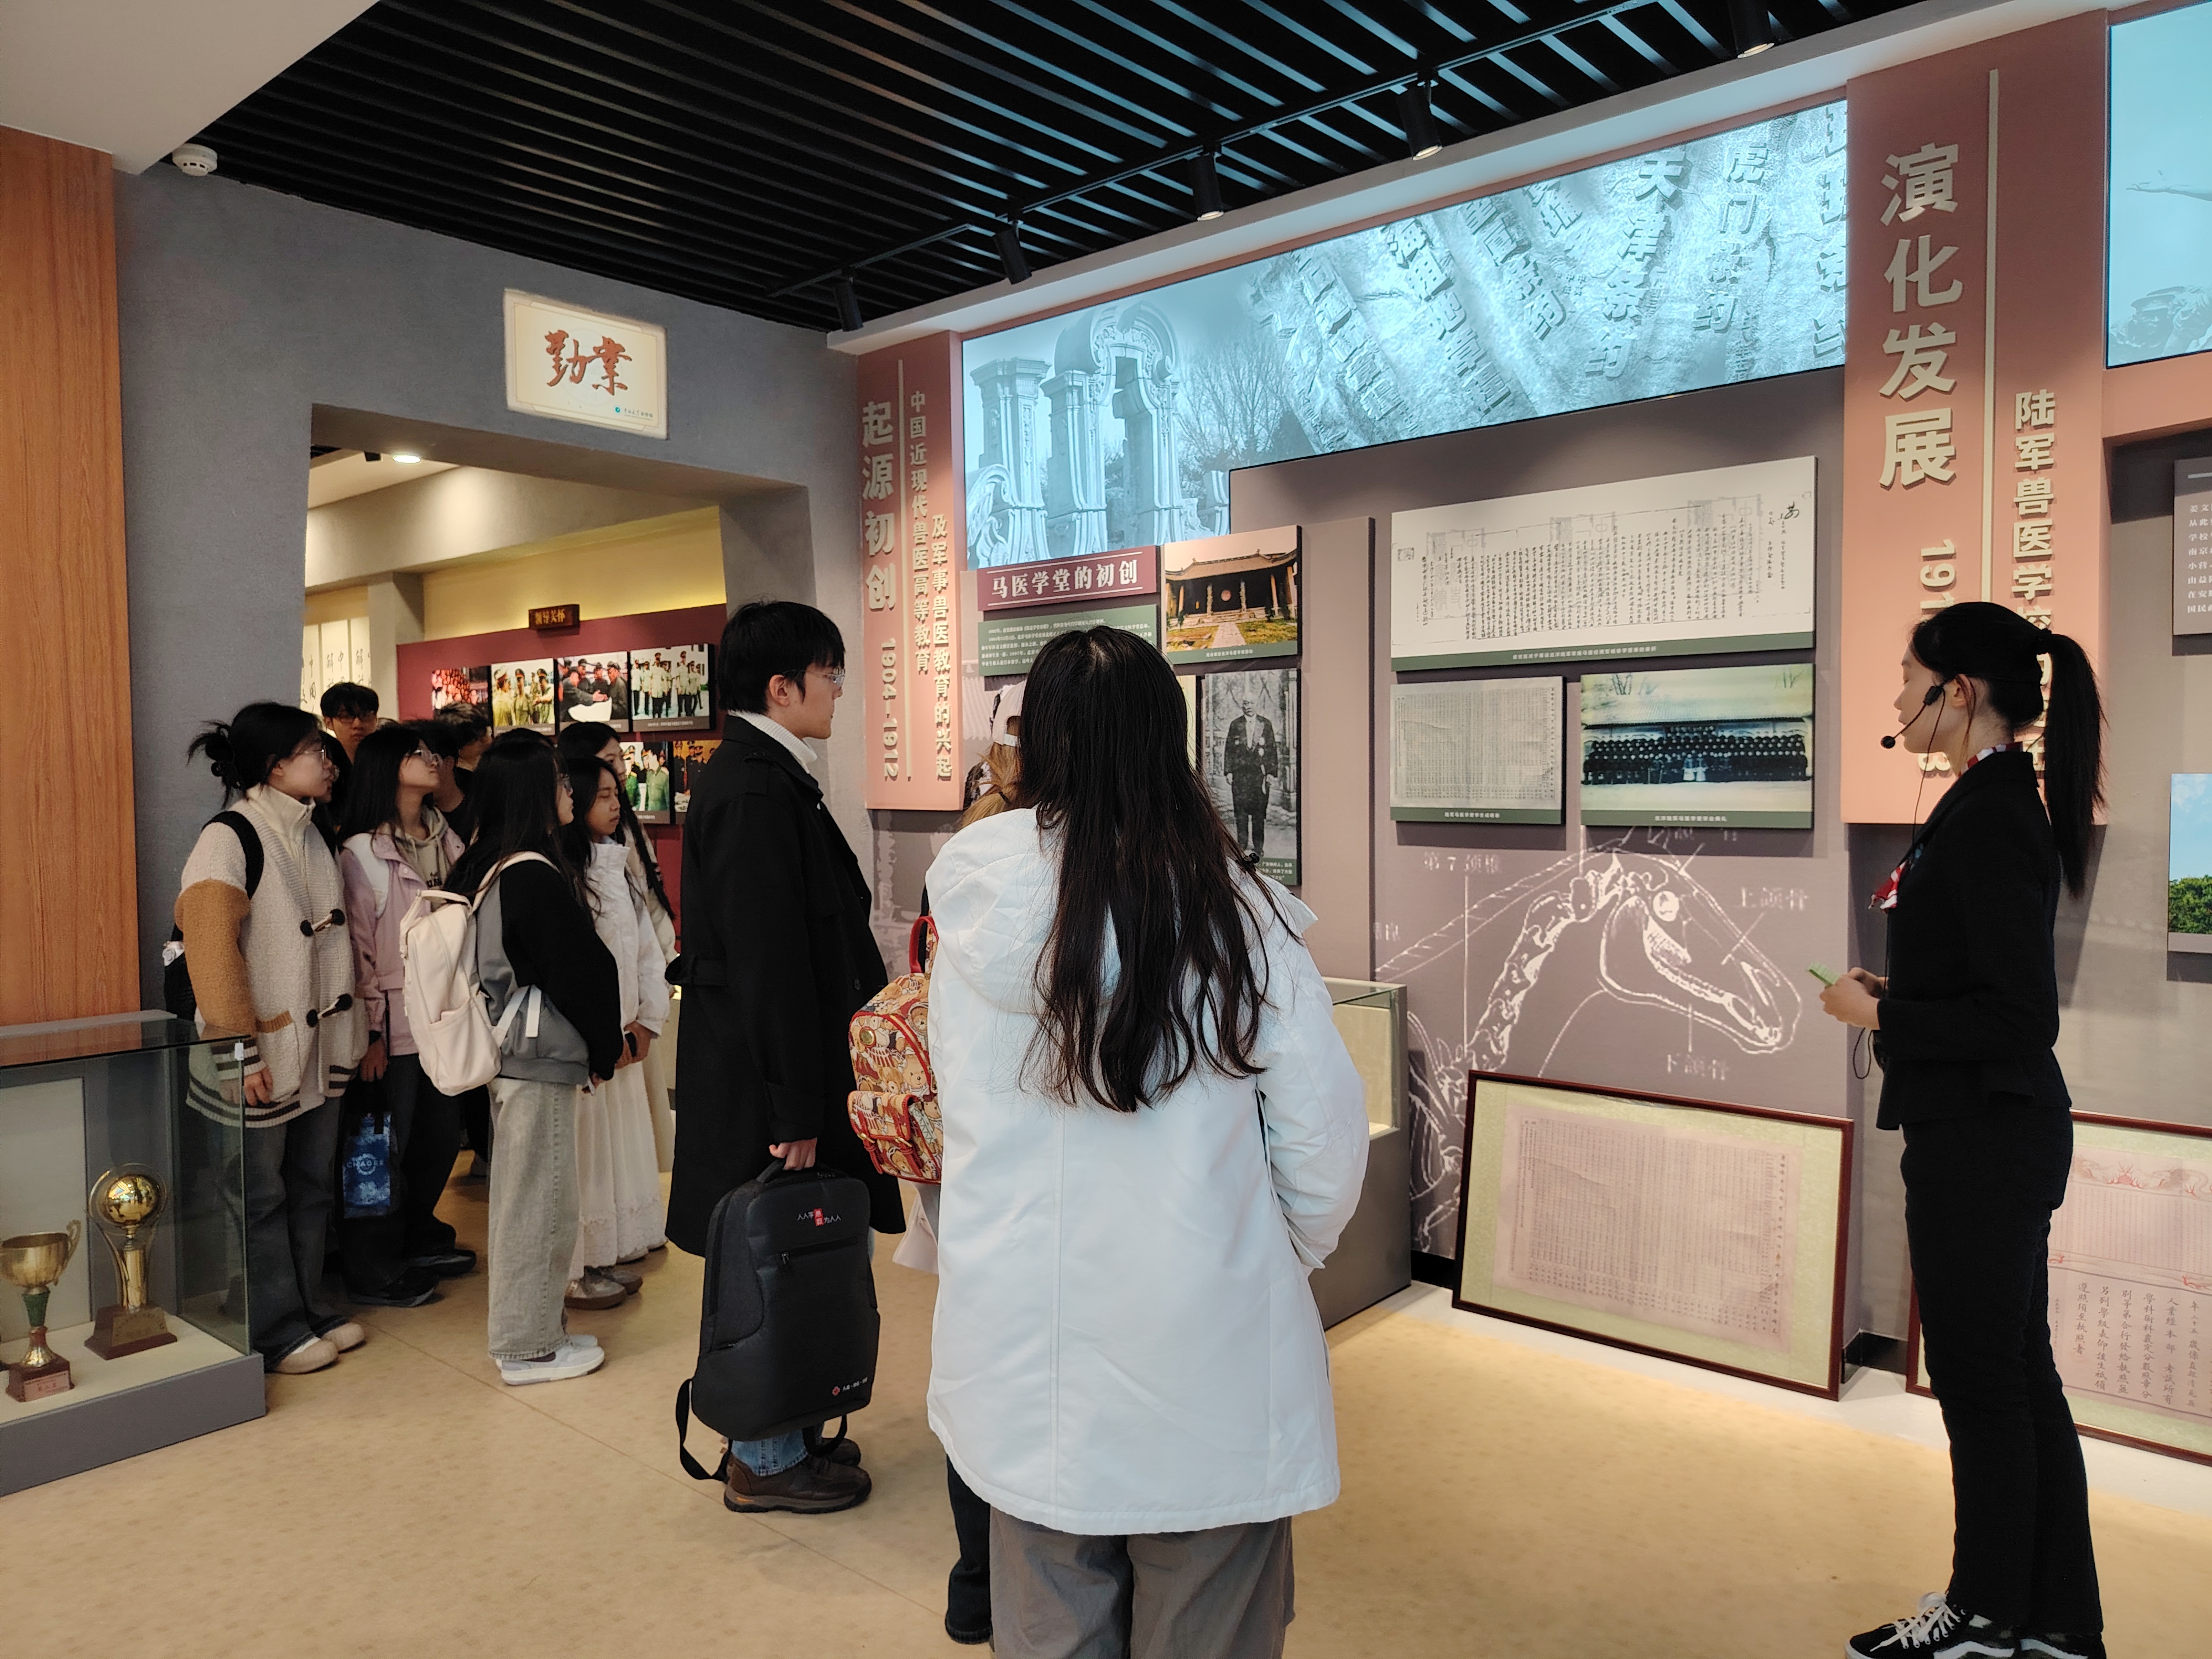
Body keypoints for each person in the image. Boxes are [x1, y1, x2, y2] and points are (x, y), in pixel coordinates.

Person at [926, 627, 1369, 1659]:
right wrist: (1265, 1258)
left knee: (1048, 1621)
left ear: (1036, 744)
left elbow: (962, 1117)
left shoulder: (976, 917)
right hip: (1205, 1346)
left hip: (1022, 1347)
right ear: (1173, 742)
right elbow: (1323, 1149)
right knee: (1209, 1621)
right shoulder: (1241, 919)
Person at [1820, 602, 2105, 1659]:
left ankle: (1984, 1615)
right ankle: (2058, 1624)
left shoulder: (1991, 814)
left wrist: (1881, 1019)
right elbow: (1985, 986)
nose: (1899, 695)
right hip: (1992, 1132)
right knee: (2018, 1381)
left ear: (1959, 691)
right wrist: (1899, 993)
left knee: (1986, 1390)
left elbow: (2020, 1018)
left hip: (1983, 1140)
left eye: (1911, 676)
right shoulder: (1994, 802)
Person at [669, 599, 902, 1515]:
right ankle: (764, 1458)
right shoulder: (755, 791)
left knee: (804, 1255)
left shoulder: (766, 777)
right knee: (772, 1259)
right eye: (830, 675)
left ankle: (788, 1433)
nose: (838, 691)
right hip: (770, 1087)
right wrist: (794, 1109)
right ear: (781, 687)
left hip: (781, 1075)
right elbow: (768, 965)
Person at [176, 702, 369, 1376]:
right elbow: (210, 950)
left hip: (318, 1053)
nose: (329, 760)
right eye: (314, 748)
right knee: (257, 1197)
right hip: (258, 1057)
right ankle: (273, 1328)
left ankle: (307, 1307)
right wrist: (238, 1052)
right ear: (274, 765)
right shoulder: (229, 837)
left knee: (311, 1185)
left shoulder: (311, 831)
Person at [446, 732, 623, 1386]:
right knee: (540, 1204)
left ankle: (538, 1331)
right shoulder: (528, 872)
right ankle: (528, 1347)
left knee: (531, 1199)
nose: (569, 790)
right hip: (537, 1056)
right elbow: (581, 972)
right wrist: (604, 1048)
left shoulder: (487, 863)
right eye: (558, 780)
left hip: (514, 1055)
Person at [334, 724, 476, 1309]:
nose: (431, 760)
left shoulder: (447, 839)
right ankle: (373, 1265)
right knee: (382, 1144)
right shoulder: (362, 852)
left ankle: (418, 1235)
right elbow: (358, 951)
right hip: (391, 1025)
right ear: (387, 768)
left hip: (445, 1016)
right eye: (416, 754)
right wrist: (369, 1032)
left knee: (439, 1139)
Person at [559, 755, 670, 1310]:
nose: (614, 805)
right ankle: (580, 1264)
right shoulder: (563, 873)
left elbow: (646, 949)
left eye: (615, 794)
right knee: (586, 1158)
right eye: (601, 795)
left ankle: (613, 1248)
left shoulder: (619, 865)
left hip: (625, 1033)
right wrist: (604, 1033)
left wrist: (647, 1019)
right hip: (592, 1041)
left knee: (619, 1151)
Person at [1223, 693, 1280, 858]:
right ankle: (1241, 845)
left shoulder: (1265, 724)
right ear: (1243, 706)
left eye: (1251, 703)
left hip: (1259, 776)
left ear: (1256, 705)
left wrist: (1271, 773)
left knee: (1259, 813)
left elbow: (1272, 750)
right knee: (1240, 811)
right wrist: (1229, 771)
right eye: (1246, 703)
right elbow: (1229, 750)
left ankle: (1258, 847)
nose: (1248, 706)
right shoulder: (1236, 725)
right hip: (1240, 776)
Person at [320, 682, 379, 761]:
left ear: (376, 719)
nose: (358, 724)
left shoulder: (389, 761)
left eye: (364, 715)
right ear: (329, 722)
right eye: (346, 717)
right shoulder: (322, 764)